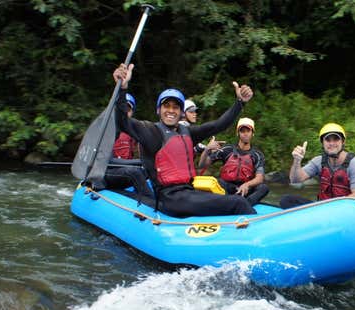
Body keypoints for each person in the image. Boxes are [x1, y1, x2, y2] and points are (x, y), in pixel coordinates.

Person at [112, 63, 256, 217]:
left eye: (176, 107)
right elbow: (123, 121)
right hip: (170, 199)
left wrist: (240, 103)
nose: (171, 111)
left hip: (190, 192)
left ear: (181, 113)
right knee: (239, 203)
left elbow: (218, 125)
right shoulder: (150, 131)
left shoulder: (188, 132)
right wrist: (122, 89)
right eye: (166, 106)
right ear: (158, 110)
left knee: (235, 200)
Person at [279, 123, 355, 209]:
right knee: (286, 200)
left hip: (343, 210)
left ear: (343, 142)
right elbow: (295, 179)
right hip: (322, 209)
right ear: (323, 143)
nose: (331, 143)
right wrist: (297, 160)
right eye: (328, 140)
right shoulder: (319, 161)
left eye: (336, 139)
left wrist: (334, 209)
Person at [197, 117, 269, 206]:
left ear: (252, 133)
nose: (245, 134)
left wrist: (247, 185)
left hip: (244, 190)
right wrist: (207, 149)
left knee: (263, 188)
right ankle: (227, 202)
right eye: (242, 131)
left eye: (248, 131)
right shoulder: (227, 149)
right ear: (238, 133)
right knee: (216, 181)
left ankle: (246, 204)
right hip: (227, 187)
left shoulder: (257, 155)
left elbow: (259, 178)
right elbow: (202, 165)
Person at [103, 93, 154, 200]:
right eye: (121, 109)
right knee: (133, 172)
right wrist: (140, 162)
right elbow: (109, 162)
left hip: (124, 172)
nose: (124, 112)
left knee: (149, 169)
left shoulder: (133, 131)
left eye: (128, 109)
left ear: (132, 112)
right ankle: (151, 202)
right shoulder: (106, 129)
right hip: (106, 173)